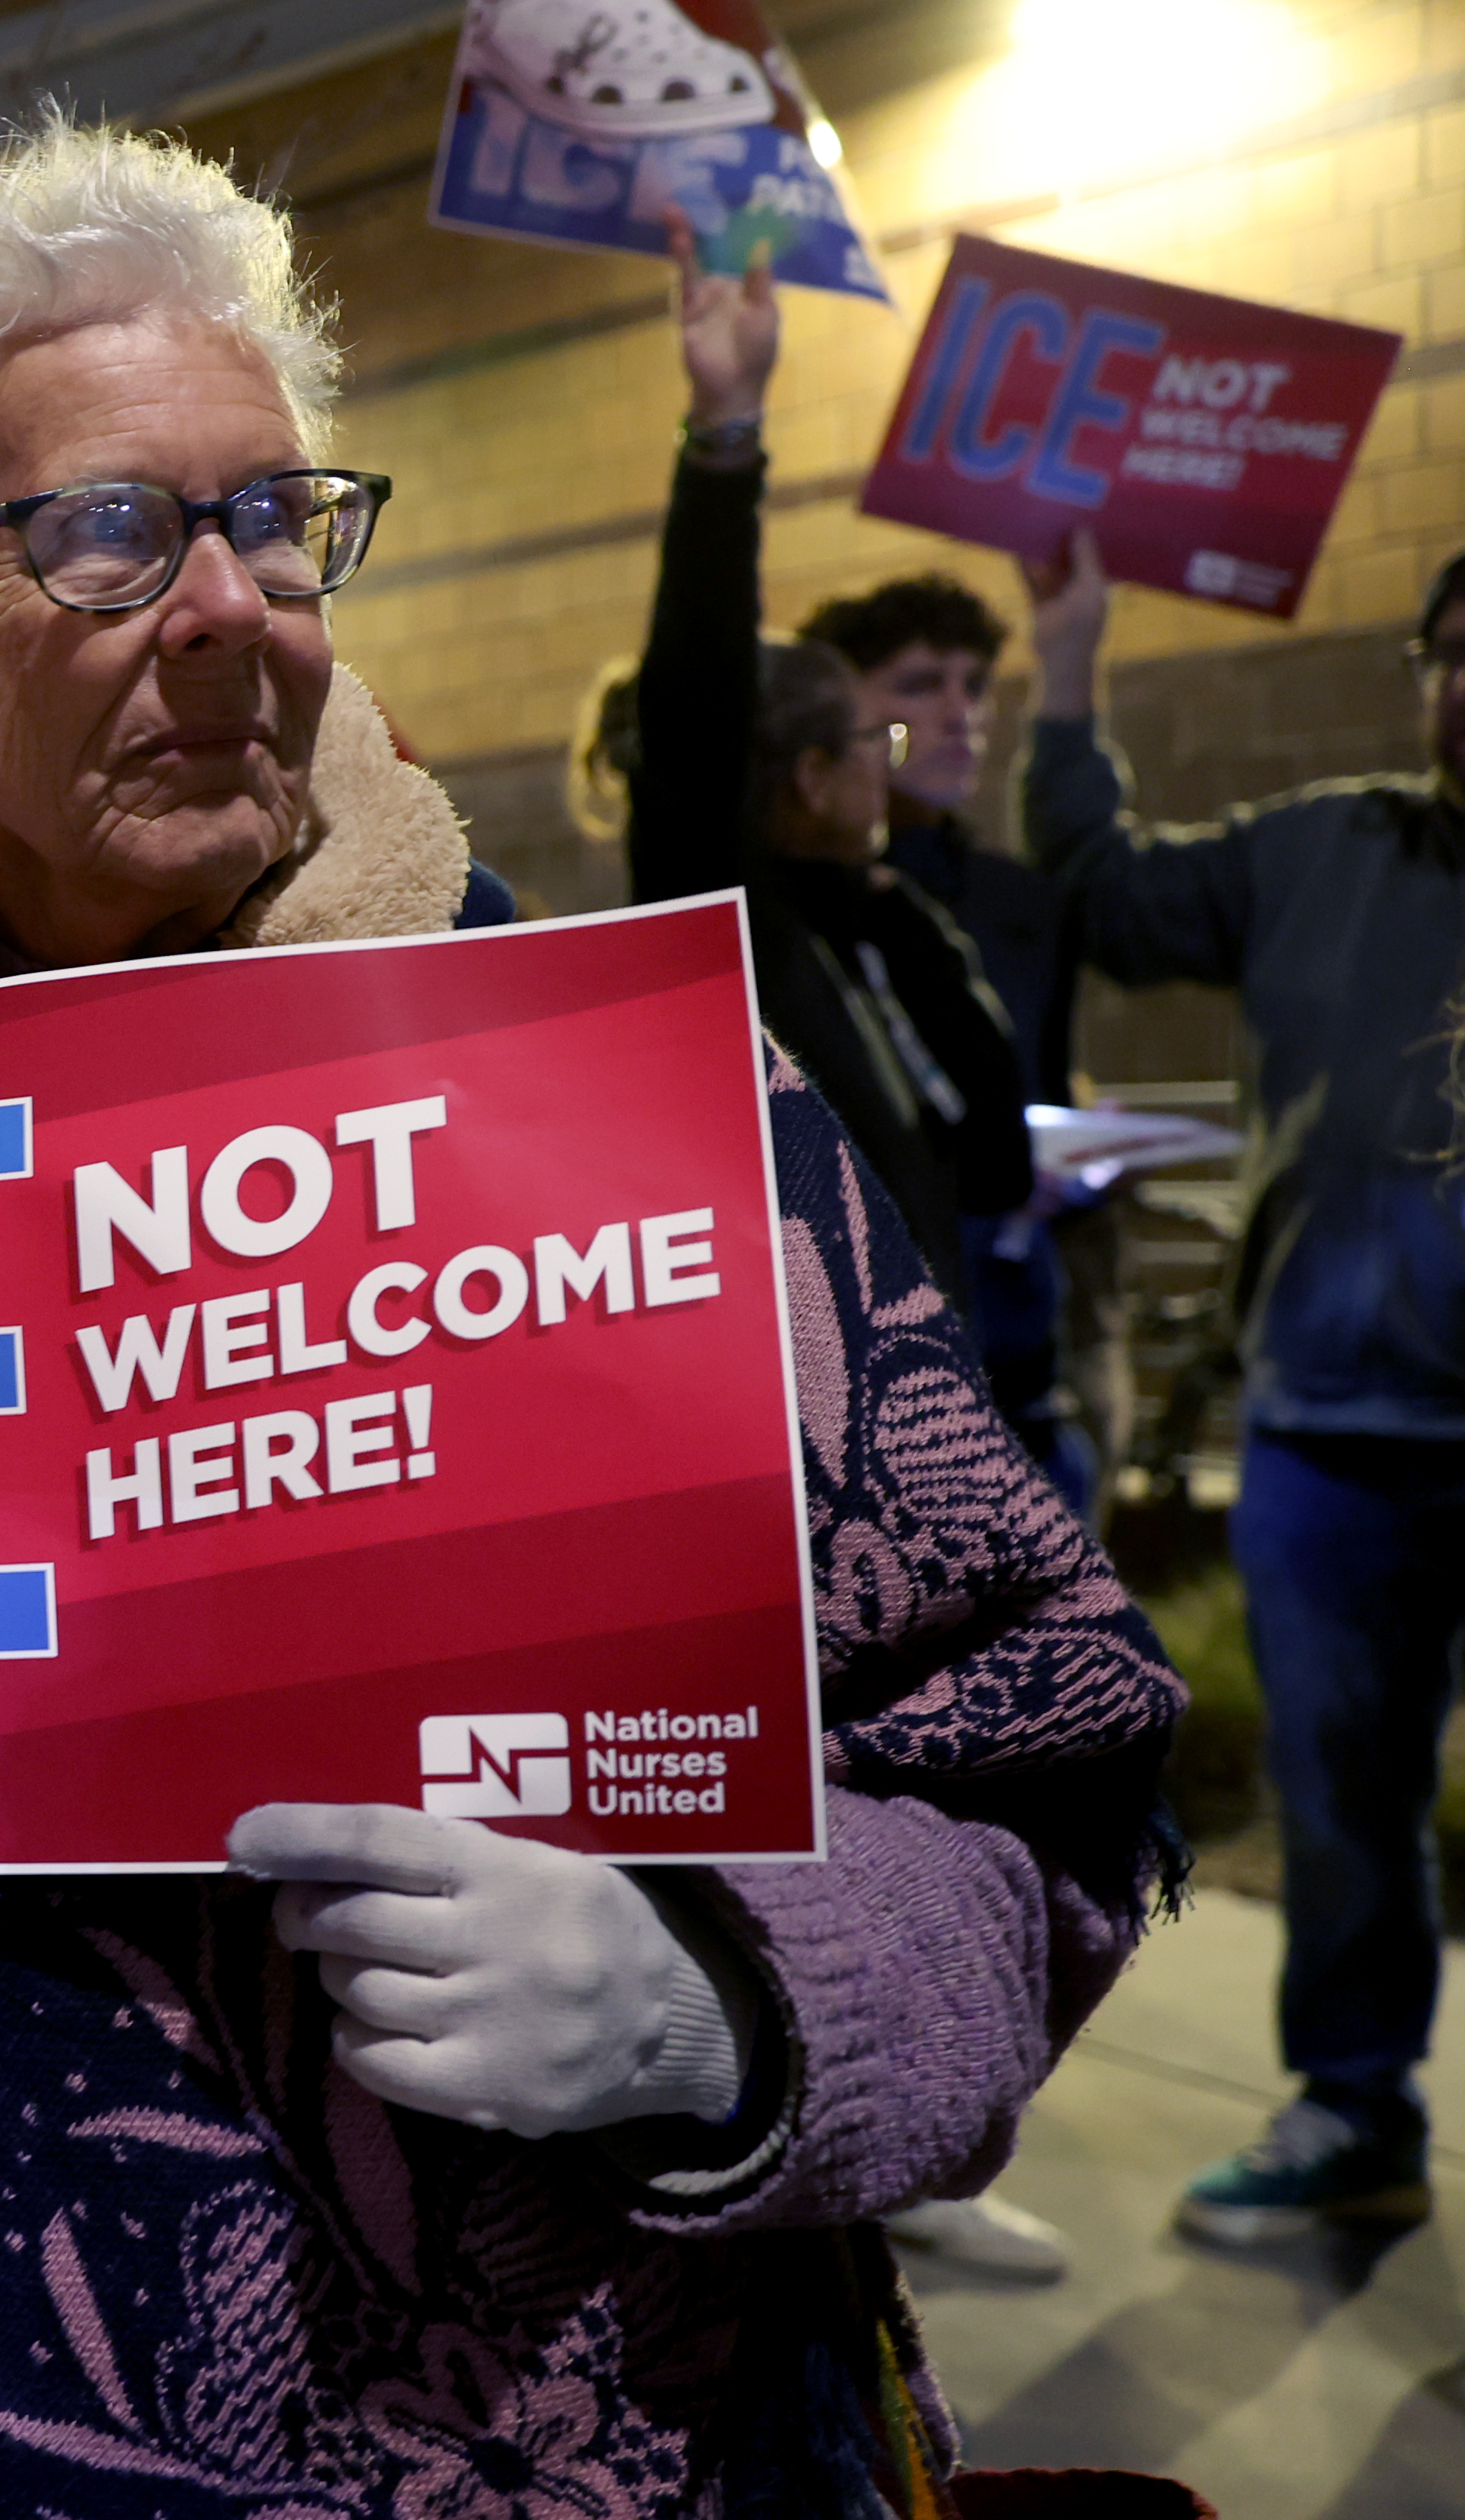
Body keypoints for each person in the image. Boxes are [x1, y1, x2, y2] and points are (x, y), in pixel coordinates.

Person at [0, 120, 1181, 2520]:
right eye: (99, 537)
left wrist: (728, 1995)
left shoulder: (635, 1110)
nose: (220, 617)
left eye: (271, 522)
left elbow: (1047, 1768)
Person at [1028, 532, 1465, 2248]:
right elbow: (1108, 890)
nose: (1460, 683)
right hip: (1326, 1441)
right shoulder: (1315, 850)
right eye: (1445, 650)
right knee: (1345, 1815)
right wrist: (1064, 664)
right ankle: (1353, 2113)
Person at [627, 222, 1036, 1323]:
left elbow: (987, 1154)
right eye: (875, 741)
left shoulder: (871, 932)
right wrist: (722, 439)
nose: (889, 767)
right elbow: (692, 721)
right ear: (808, 777)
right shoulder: (729, 928)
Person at [804, 571, 1103, 1505]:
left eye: (973, 686)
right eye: (918, 685)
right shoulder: (801, 912)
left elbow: (1032, 1100)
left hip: (1022, 1348)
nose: (956, 713)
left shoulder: (1020, 903)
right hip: (880, 1385)